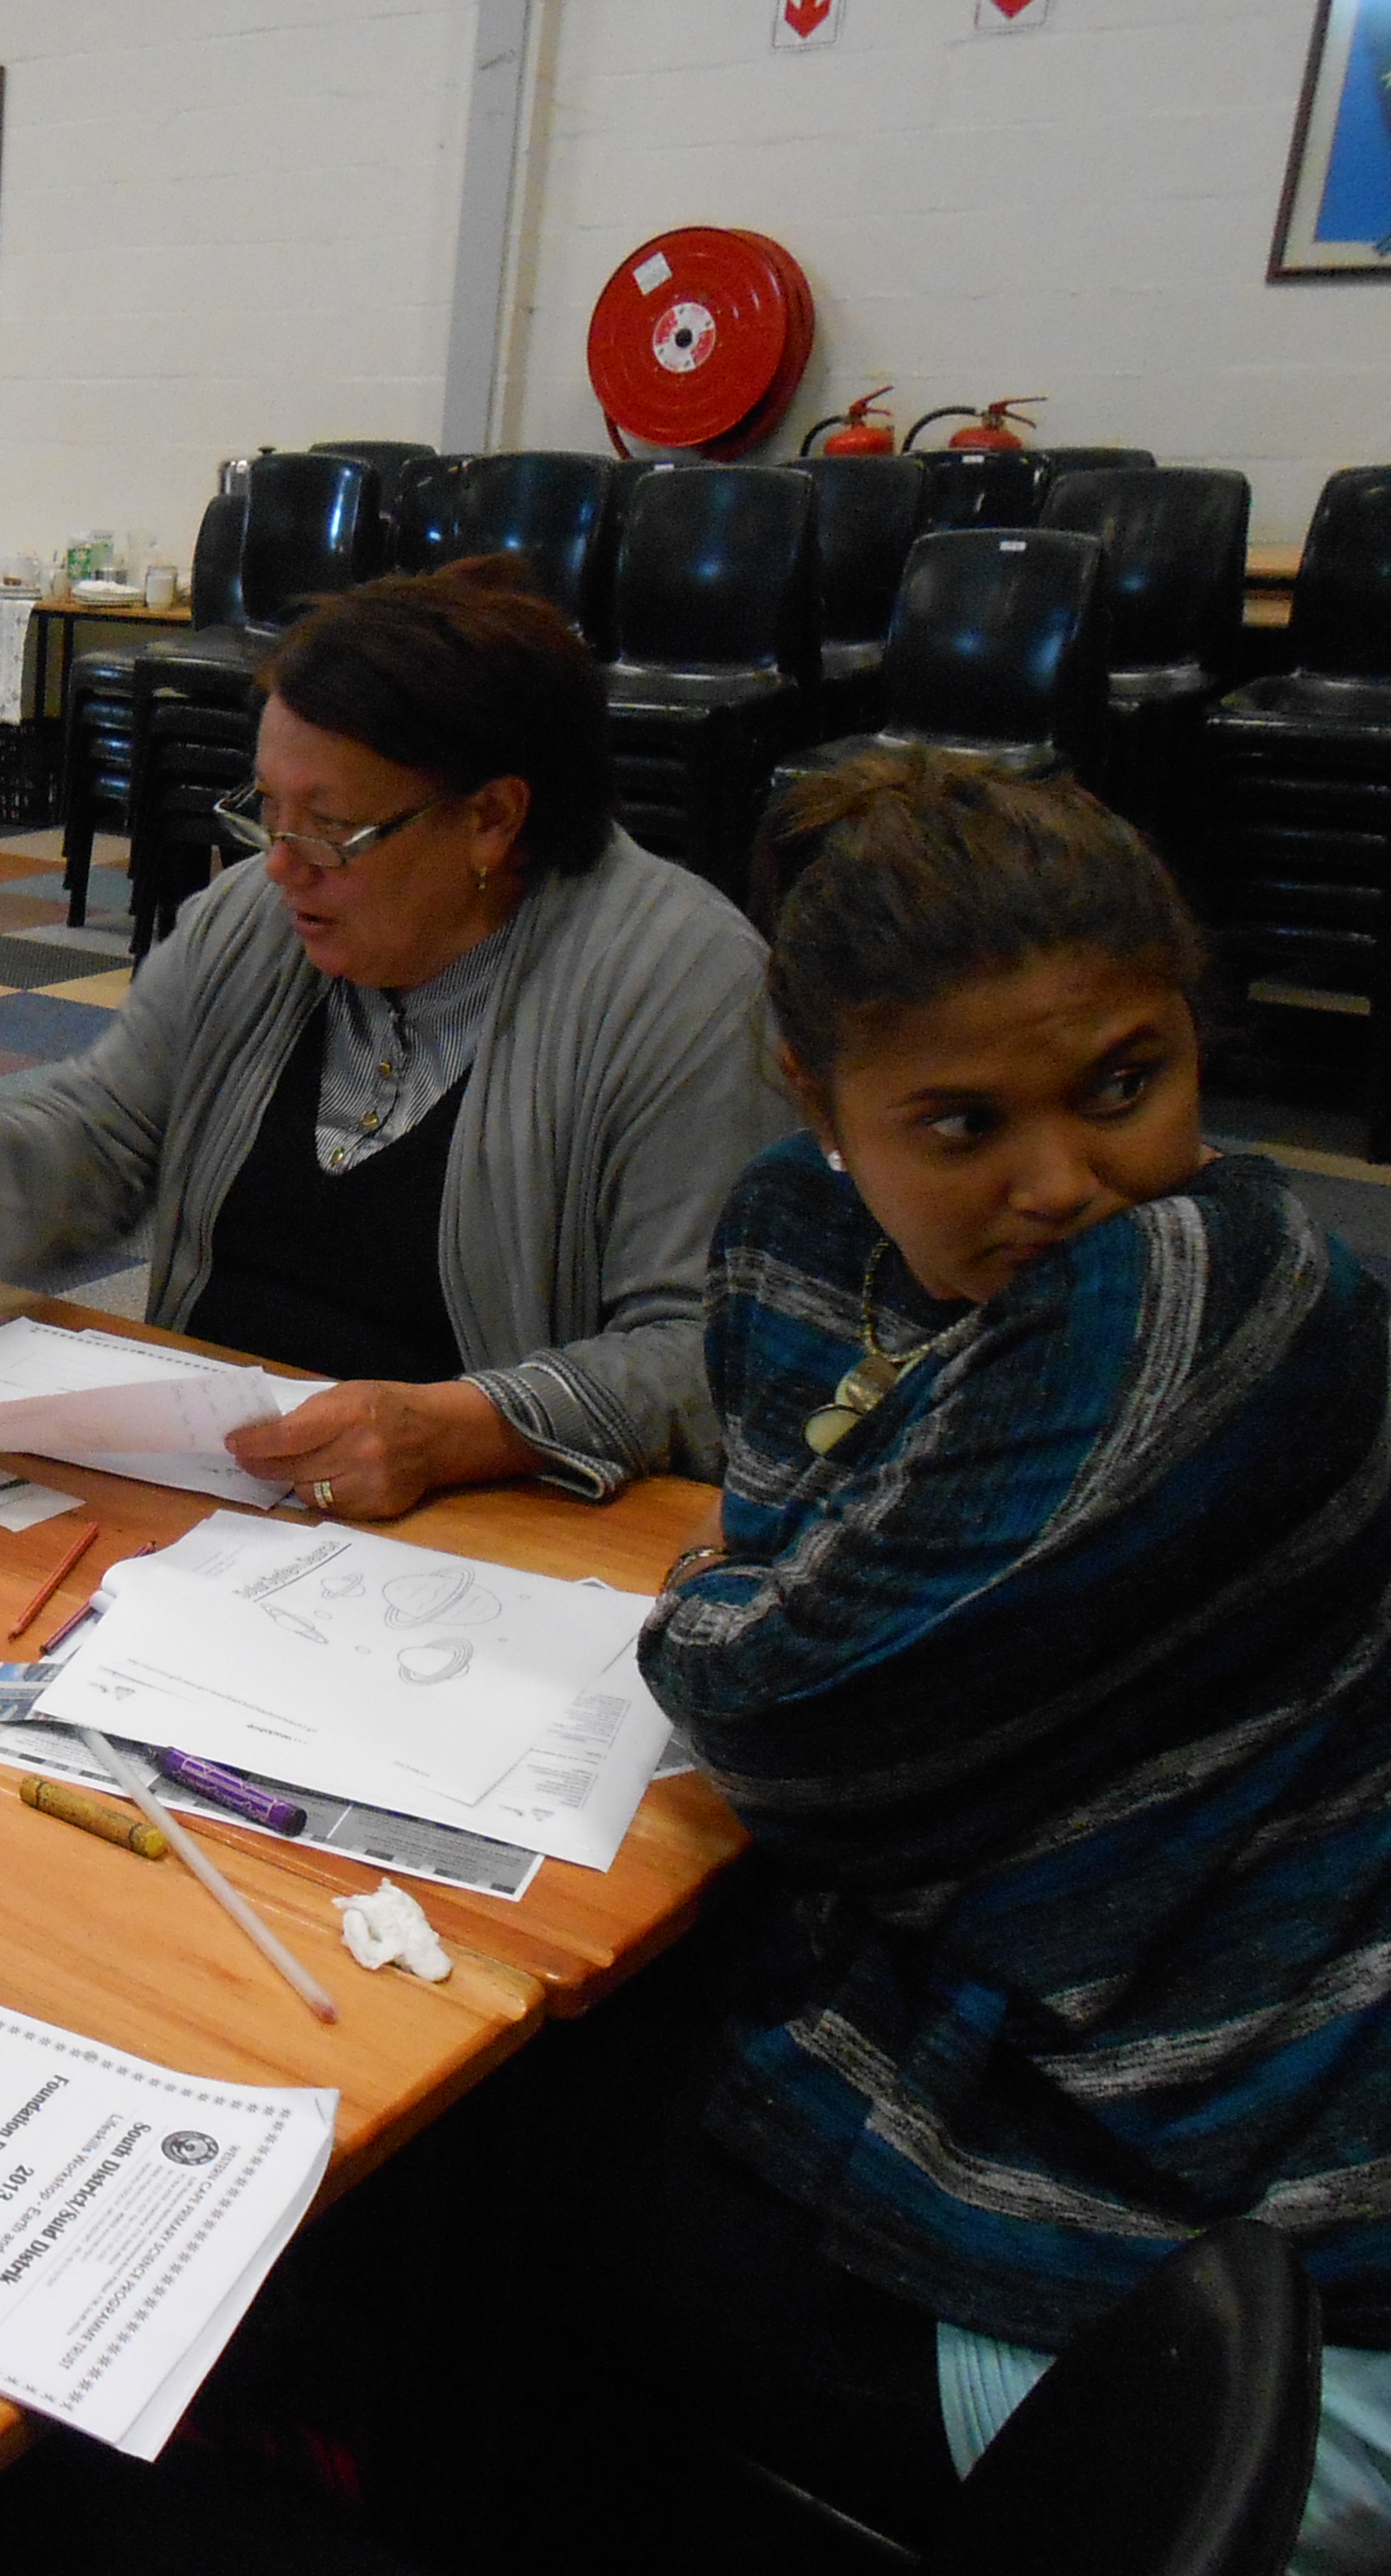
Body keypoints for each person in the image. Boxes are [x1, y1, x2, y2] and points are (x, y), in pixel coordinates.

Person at [617, 753, 1391, 2566]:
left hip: (1281, 2212)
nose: (1066, 1183)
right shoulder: (805, 1231)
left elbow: (790, 1720)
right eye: (961, 1126)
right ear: (818, 1099)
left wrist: (724, 1614)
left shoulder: (1204, 1283)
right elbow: (808, 1613)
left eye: (1127, 1082)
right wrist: (771, 1611)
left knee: (509, 2206)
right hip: (1087, 2039)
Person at [0, 558, 792, 1516]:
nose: (281, 866)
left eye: (329, 827)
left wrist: (470, 1428)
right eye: (267, 810)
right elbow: (109, 1135)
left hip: (493, 1528)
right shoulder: (255, 923)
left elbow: (711, 1354)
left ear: (492, 819)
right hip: (220, 1497)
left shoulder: (680, 987)